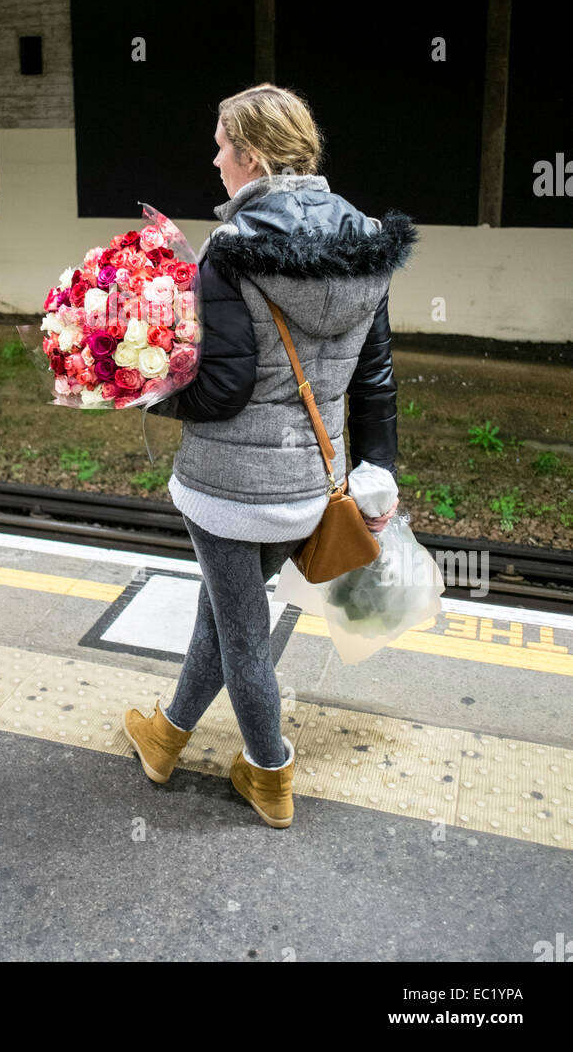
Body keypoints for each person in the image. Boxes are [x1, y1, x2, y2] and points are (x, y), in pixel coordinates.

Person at [122, 82, 418, 828]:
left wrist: (150, 388)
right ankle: (164, 736)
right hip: (314, 481)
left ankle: (270, 773)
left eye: (222, 143)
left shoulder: (233, 249)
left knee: (243, 631)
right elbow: (375, 376)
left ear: (251, 155)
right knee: (222, 617)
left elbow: (220, 391)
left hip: (231, 485)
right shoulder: (365, 239)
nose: (213, 156)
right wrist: (375, 470)